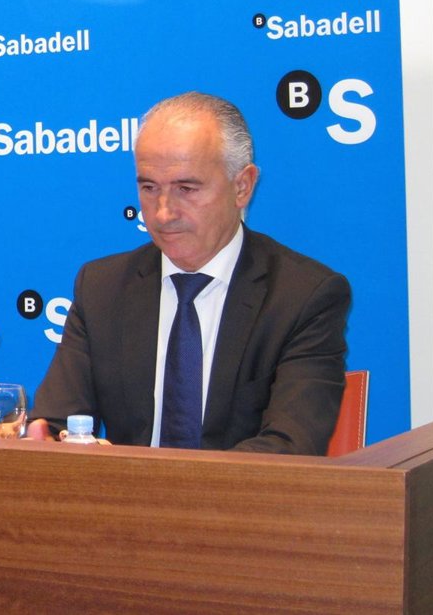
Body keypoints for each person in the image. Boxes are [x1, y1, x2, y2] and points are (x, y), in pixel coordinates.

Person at [30, 92, 349, 454]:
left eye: (186, 189)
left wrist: (151, 479)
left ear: (242, 186)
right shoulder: (102, 287)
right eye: (149, 188)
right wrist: (48, 441)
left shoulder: (303, 296)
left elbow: (290, 447)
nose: (163, 213)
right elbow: (56, 422)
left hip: (232, 493)